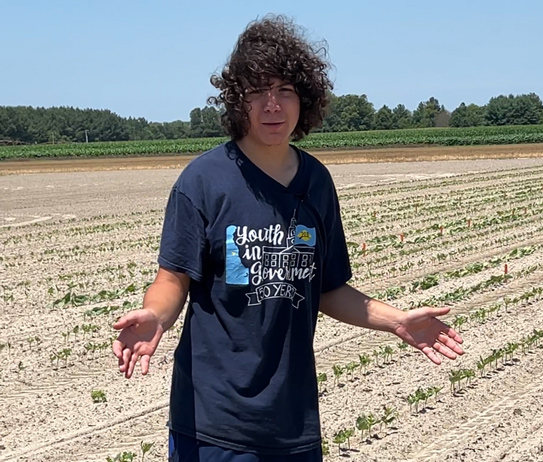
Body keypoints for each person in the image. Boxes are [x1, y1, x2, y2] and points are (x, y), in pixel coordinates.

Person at [111, 14, 464, 462]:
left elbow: (330, 288)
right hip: (214, 422)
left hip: (292, 421)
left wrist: (395, 320)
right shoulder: (203, 181)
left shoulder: (316, 182)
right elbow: (172, 280)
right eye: (257, 91)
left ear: (305, 100)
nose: (271, 105)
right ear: (237, 101)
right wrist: (158, 316)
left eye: (284, 91)